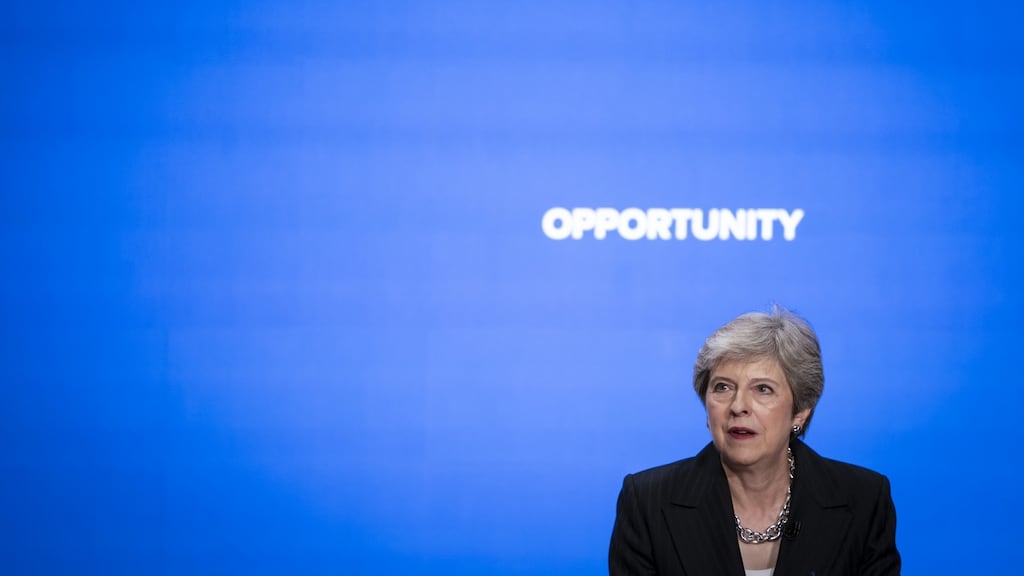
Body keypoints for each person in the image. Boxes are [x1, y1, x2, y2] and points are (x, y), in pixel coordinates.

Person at [608, 306, 900, 576]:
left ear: (800, 411)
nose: (738, 406)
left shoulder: (863, 500)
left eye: (763, 389)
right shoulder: (647, 503)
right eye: (722, 387)